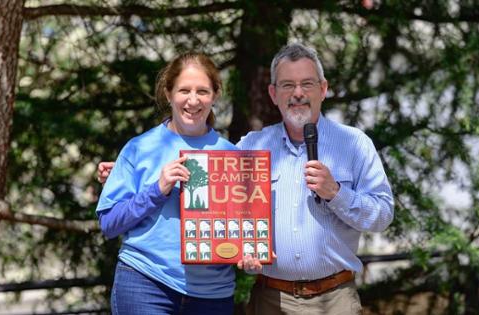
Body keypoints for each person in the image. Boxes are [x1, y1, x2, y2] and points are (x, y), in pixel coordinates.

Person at [98, 43, 394, 314]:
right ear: (273, 93)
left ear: (324, 88)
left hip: (334, 298)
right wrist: (128, 175)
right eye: (288, 85)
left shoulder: (353, 143)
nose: (298, 93)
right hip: (269, 298)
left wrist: (336, 192)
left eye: (307, 84)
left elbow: (382, 215)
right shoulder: (250, 148)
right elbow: (225, 209)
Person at [96, 52, 237, 315]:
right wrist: (156, 190)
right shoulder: (138, 148)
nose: (193, 100)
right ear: (169, 93)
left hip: (213, 295)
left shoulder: (233, 157)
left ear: (215, 95)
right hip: (145, 285)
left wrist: (248, 256)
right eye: (184, 90)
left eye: (202, 91)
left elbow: (244, 232)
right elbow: (109, 223)